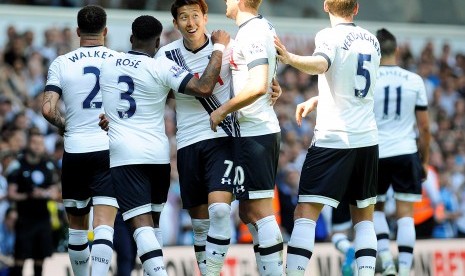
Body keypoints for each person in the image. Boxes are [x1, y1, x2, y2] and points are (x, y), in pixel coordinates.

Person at [99, 14, 229, 276]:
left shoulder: (108, 64)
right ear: (158, 42)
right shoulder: (161, 66)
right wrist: (218, 48)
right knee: (153, 225)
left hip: (125, 154)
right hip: (158, 157)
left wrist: (110, 118)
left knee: (142, 227)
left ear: (131, 38)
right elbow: (204, 87)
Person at [274, 0, 381, 275]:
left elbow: (321, 64)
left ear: (325, 6)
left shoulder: (327, 35)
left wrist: (289, 58)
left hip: (334, 139)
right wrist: (319, 99)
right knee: (364, 220)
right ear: (356, 8)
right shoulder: (372, 40)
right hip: (367, 139)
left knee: (305, 215)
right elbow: (358, 89)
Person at [41, 5, 120, 276]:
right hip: (109, 148)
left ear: (77, 31)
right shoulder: (118, 59)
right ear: (105, 31)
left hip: (75, 150)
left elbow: (48, 109)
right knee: (104, 226)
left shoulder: (62, 62)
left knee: (77, 229)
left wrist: (66, 126)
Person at [209, 0, 284, 274]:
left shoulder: (253, 31)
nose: (225, 2)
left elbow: (257, 84)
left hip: (256, 132)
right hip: (256, 131)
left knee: (259, 212)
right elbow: (265, 81)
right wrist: (272, 89)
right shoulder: (259, 27)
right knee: (248, 212)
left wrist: (222, 111)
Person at [372, 28, 431, 276]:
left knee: (374, 210)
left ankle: (386, 262)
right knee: (406, 214)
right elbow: (425, 127)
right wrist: (424, 161)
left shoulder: (368, 79)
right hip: (406, 151)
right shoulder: (414, 80)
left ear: (375, 51)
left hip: (375, 152)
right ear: (397, 50)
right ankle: (405, 270)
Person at [7, 130, 60, 276]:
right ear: (28, 144)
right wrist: (28, 195)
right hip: (24, 219)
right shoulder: (17, 165)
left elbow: (56, 193)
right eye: (34, 143)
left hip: (43, 219)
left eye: (41, 144)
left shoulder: (48, 166)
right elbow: (11, 194)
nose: (37, 146)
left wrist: (45, 194)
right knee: (19, 259)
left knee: (40, 259)